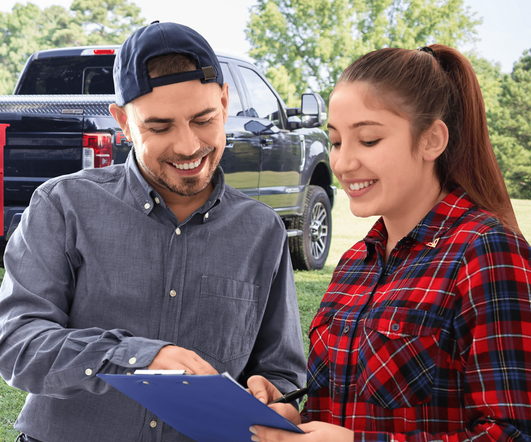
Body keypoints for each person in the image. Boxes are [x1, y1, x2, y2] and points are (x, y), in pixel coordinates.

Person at [0, 21, 306, 442]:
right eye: (159, 127)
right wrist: (136, 357)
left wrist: (275, 394)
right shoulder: (63, 206)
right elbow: (18, 343)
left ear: (224, 100)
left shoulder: (262, 231)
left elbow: (281, 372)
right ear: (124, 122)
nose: (187, 146)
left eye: (204, 119)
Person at [248, 44, 531, 441]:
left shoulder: (486, 252)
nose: (343, 163)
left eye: (368, 141)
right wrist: (291, 416)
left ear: (432, 140)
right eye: (335, 141)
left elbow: (513, 432)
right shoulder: (353, 265)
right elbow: (344, 411)